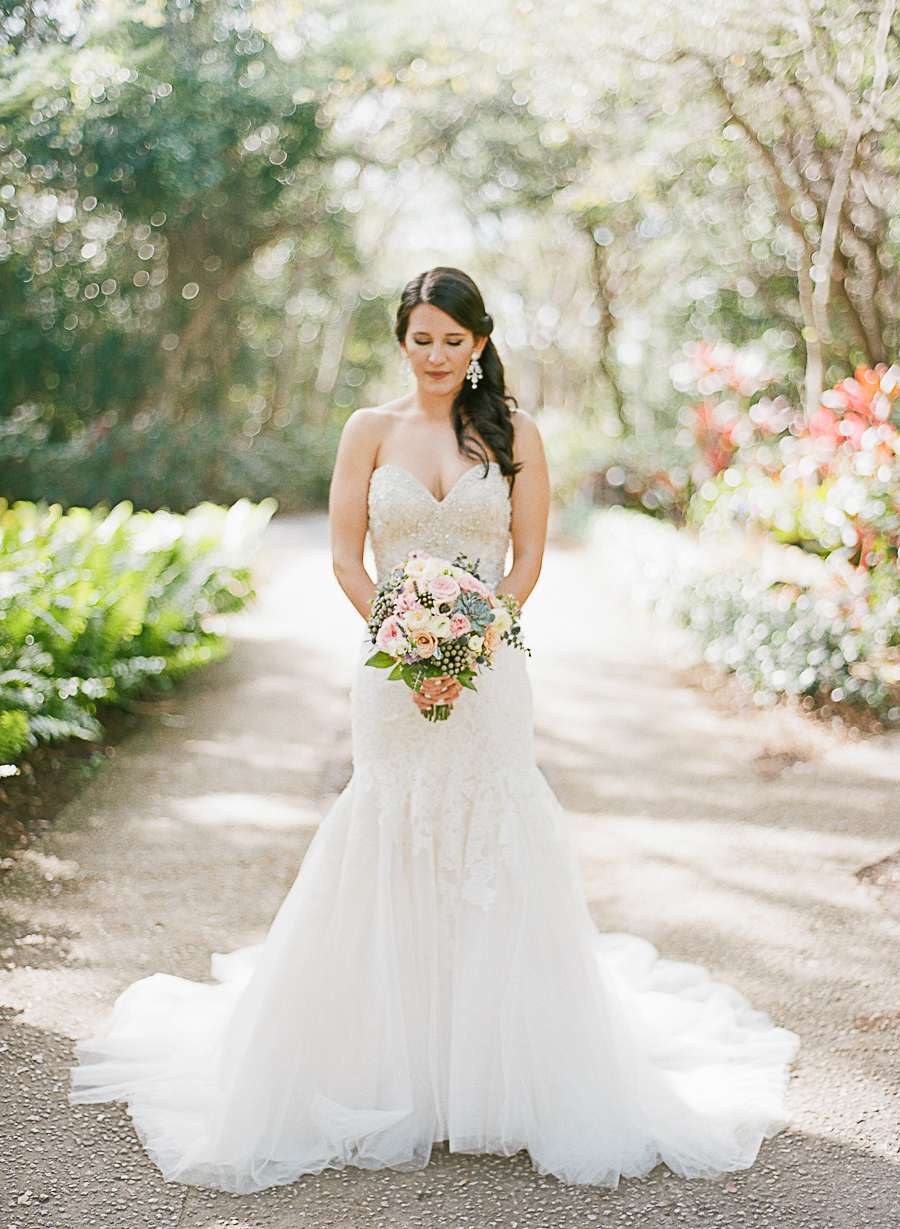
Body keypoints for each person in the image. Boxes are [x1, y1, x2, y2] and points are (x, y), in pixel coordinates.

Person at [71, 266, 799, 1193]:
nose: (438, 356)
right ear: (402, 340)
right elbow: (345, 554)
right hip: (389, 670)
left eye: (455, 341)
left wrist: (472, 640)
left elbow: (528, 559)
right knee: (389, 825)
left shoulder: (515, 434)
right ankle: (388, 1062)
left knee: (492, 826)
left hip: (492, 671)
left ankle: (496, 1071)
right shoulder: (367, 431)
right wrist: (405, 641)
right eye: (423, 339)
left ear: (480, 344)